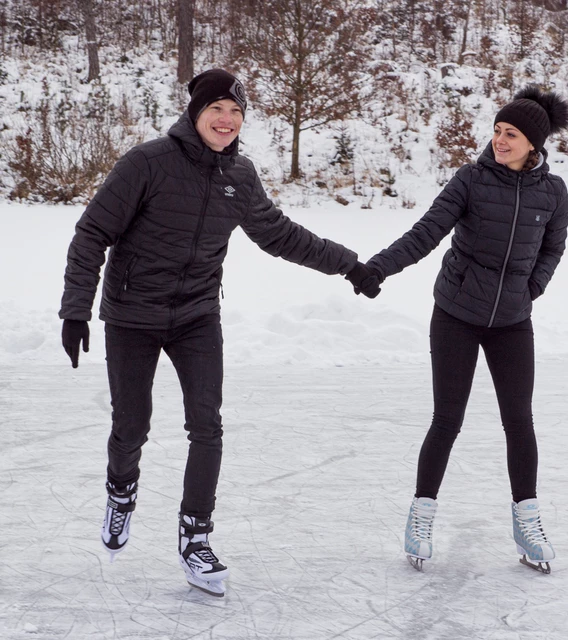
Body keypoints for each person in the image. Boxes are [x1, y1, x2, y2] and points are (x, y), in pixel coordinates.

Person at [59, 68, 379, 596]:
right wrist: (76, 308)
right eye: (216, 110)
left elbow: (280, 235)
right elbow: (93, 232)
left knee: (207, 426)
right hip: (133, 314)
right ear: (195, 113)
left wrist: (350, 266)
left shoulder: (241, 176)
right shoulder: (147, 163)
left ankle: (196, 537)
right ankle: (121, 493)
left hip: (196, 316)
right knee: (131, 426)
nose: (226, 121)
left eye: (235, 113)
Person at [353, 86, 568, 573]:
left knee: (520, 421)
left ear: (532, 144)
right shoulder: (471, 180)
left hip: (512, 322)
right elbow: (426, 232)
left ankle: (527, 521)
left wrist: (530, 288)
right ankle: (421, 516)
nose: (499, 140)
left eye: (510, 134)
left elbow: (552, 249)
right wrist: (378, 268)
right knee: (446, 420)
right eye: (496, 131)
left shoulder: (553, 193)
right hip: (455, 313)